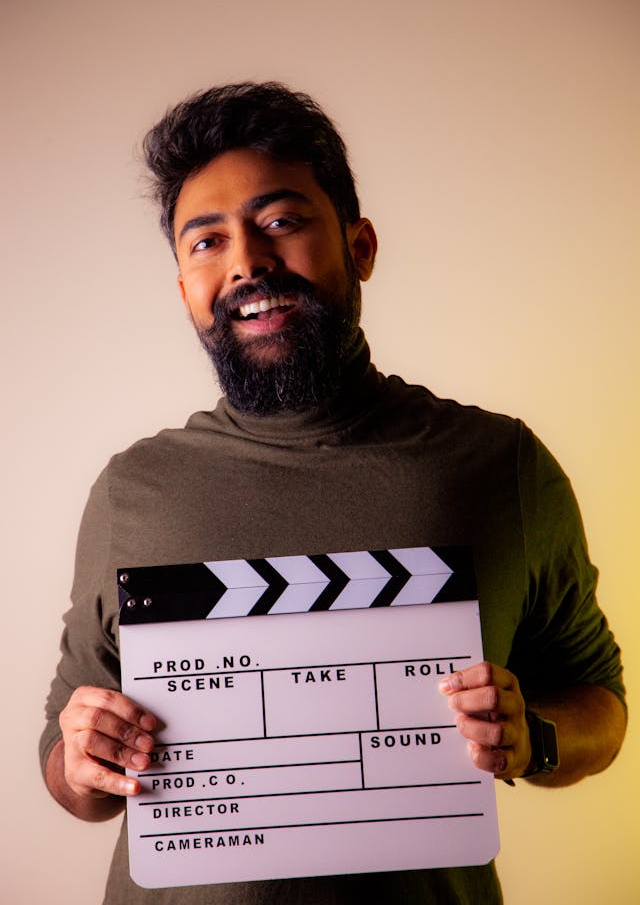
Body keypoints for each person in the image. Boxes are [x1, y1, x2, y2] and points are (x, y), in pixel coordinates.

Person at [40, 82, 626, 904]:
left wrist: (539, 740)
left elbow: (602, 703)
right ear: (185, 292)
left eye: (281, 220)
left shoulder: (498, 464)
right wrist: (80, 757)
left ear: (362, 247)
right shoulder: (133, 490)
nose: (246, 260)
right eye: (207, 240)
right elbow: (69, 774)